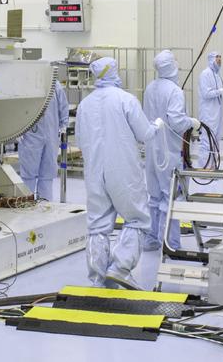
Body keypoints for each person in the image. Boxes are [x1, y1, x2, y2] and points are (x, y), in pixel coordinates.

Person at [75, 57, 164, 287]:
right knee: (137, 218)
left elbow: (79, 138)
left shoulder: (85, 105)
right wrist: (156, 126)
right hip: (123, 171)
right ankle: (120, 268)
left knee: (97, 225)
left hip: (94, 172)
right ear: (114, 72)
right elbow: (144, 134)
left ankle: (97, 277)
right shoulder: (126, 100)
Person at [143, 50, 200, 253]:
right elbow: (176, 122)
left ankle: (151, 239)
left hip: (152, 150)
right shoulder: (175, 91)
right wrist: (190, 121)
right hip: (169, 152)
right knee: (171, 197)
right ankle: (171, 243)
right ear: (171, 66)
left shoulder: (150, 88)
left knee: (154, 196)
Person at [17, 78, 69, 201]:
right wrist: (17, 128)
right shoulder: (25, 85)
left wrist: (64, 125)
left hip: (51, 134)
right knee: (28, 173)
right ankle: (26, 203)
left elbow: (63, 106)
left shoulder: (54, 86)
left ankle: (45, 204)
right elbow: (17, 108)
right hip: (30, 134)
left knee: (47, 173)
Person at [197, 52, 223, 155]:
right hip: (208, 114)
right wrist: (222, 91)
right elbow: (206, 93)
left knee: (216, 140)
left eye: (220, 57)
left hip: (217, 114)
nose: (219, 60)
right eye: (217, 57)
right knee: (207, 140)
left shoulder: (218, 76)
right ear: (211, 60)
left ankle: (212, 166)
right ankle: (205, 167)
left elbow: (218, 93)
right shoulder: (205, 74)